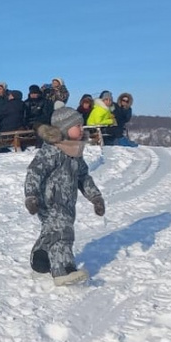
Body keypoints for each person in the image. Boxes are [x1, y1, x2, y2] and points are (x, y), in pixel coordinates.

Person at [24, 107, 105, 286]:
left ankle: (40, 258)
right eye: (77, 126)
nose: (82, 129)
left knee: (52, 232)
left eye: (82, 125)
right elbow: (34, 172)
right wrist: (31, 195)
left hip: (67, 203)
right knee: (63, 233)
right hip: (49, 201)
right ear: (64, 128)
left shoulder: (75, 152)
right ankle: (64, 270)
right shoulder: (52, 151)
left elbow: (83, 177)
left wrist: (95, 197)